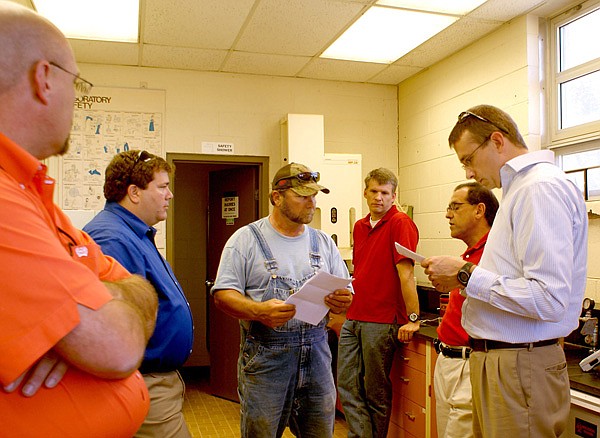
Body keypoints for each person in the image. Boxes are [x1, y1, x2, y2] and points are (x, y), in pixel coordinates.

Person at [0, 3, 159, 437]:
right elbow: (118, 345)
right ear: (44, 78)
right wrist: (89, 313)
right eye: (78, 84)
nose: (77, 97)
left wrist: (76, 319)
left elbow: (138, 293)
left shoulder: (30, 192)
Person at [422, 105, 588, 437]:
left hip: (519, 364)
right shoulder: (518, 191)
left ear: (497, 141)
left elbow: (548, 298)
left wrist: (466, 274)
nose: (469, 173)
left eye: (468, 159)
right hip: (502, 362)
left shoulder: (538, 188)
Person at [211, 162, 353, 438]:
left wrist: (342, 301)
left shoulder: (323, 242)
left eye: (314, 196)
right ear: (277, 197)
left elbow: (345, 293)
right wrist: (258, 310)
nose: (311, 203)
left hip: (317, 355)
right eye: (302, 196)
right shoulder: (245, 240)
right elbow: (223, 295)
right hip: (267, 360)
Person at [84, 150, 194, 438]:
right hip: (142, 381)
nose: (169, 195)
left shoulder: (134, 233)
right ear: (134, 192)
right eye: (162, 187)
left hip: (154, 380)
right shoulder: (111, 238)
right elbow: (114, 325)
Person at [337, 167, 420, 438]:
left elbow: (407, 274)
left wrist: (413, 318)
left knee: (375, 392)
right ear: (365, 193)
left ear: (394, 196)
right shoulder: (360, 227)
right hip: (354, 317)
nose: (379, 198)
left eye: (385, 193)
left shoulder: (400, 223)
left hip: (382, 322)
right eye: (374, 191)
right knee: (346, 384)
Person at [433, 182, 498, 438]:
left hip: (471, 362)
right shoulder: (469, 256)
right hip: (447, 361)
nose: (448, 214)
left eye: (455, 207)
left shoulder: (495, 254)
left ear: (479, 210)